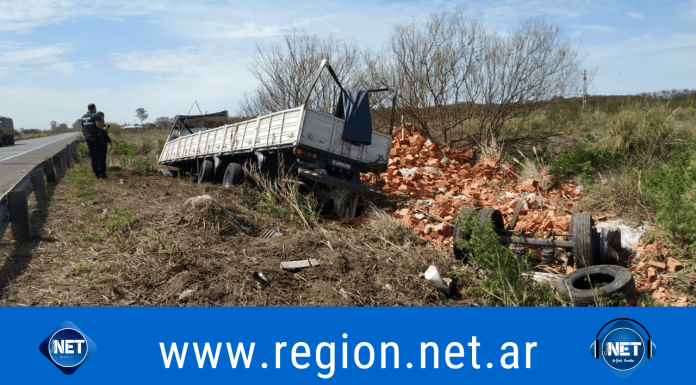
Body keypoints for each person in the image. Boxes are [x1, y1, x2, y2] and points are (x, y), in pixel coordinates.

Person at [81, 103, 108, 179]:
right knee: (101, 157)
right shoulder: (95, 115)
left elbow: (83, 129)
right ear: (94, 108)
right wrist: (103, 126)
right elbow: (98, 125)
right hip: (98, 139)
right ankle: (102, 175)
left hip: (89, 140)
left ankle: (96, 174)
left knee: (93, 157)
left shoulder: (83, 117)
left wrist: (86, 136)